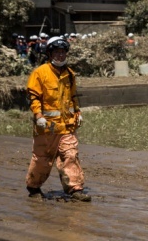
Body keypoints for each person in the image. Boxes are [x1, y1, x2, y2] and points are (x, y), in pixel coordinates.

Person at [25, 36, 91, 202]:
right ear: (50, 53)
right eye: (57, 52)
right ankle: (33, 187)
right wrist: (38, 115)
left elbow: (73, 97)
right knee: (42, 160)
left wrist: (78, 112)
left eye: (63, 52)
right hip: (46, 127)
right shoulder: (40, 73)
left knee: (70, 155)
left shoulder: (70, 74)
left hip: (67, 125)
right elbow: (34, 98)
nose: (60, 55)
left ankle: (75, 188)